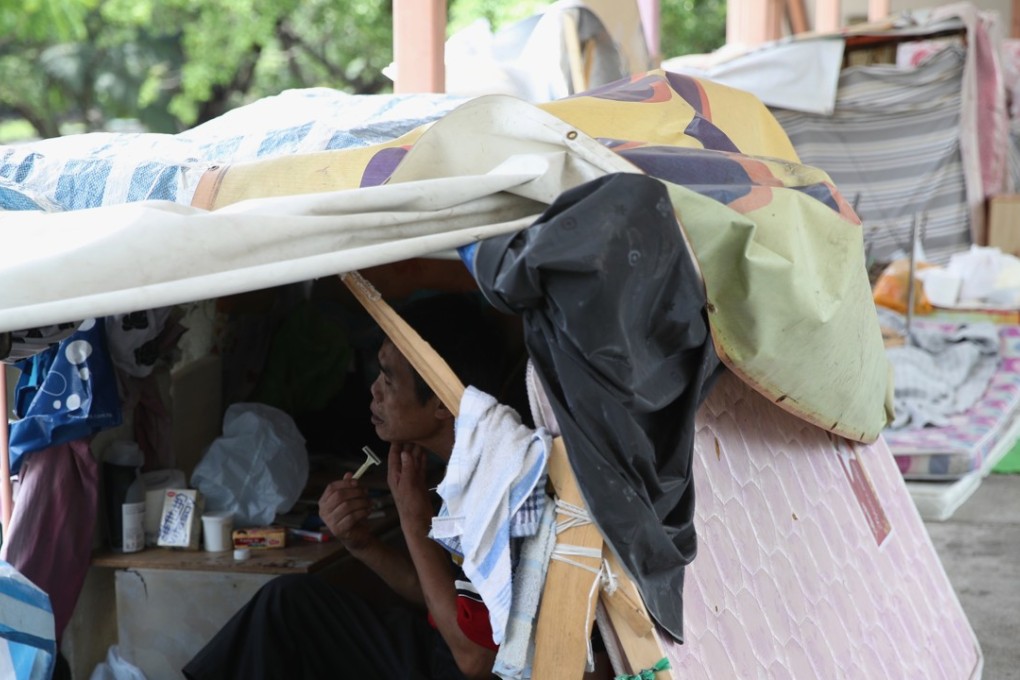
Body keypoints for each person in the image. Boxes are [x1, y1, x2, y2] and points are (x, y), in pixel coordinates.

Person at [183, 293, 508, 680]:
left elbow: (475, 660)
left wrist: (414, 520)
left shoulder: (493, 487)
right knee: (290, 604)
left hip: (457, 668)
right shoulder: (459, 471)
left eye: (388, 378)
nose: (374, 391)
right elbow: (439, 597)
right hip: (439, 647)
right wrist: (363, 544)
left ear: (440, 401)